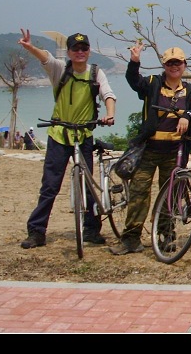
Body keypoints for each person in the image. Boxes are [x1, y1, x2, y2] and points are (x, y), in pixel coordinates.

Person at [18, 29, 117, 249]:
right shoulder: (61, 69)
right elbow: (46, 57)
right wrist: (30, 47)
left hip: (83, 135)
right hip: (59, 135)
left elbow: (108, 94)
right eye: (75, 49)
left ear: (89, 51)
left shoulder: (95, 73)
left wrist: (110, 114)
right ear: (70, 52)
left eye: (84, 48)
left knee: (89, 185)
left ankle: (91, 229)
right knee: (50, 186)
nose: (80, 52)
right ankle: (37, 231)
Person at [110, 44, 191, 255]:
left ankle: (165, 236)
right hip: (149, 149)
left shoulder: (190, 91)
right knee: (138, 193)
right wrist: (134, 62)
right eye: (170, 63)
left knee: (169, 196)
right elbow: (134, 82)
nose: (174, 67)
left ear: (184, 65)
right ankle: (131, 238)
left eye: (177, 63)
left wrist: (187, 116)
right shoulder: (153, 83)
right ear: (164, 65)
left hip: (175, 151)